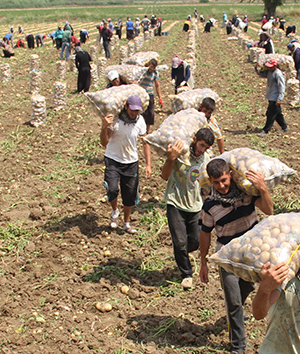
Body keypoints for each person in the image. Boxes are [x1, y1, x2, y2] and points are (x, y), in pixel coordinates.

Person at [200, 159, 274, 354]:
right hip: (227, 256)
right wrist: (203, 262)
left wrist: (263, 188)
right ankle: (238, 347)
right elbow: (205, 233)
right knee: (233, 301)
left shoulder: (246, 194)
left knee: (248, 286)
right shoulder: (209, 205)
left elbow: (269, 210)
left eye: (224, 180)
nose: (222, 186)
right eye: (216, 183)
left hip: (251, 252)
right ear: (211, 181)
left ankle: (236, 314)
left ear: (230, 175)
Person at [161, 128, 215, 290]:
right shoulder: (180, 153)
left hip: (196, 205)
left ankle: (184, 253)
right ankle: (186, 274)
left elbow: (206, 183)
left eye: (206, 147)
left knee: (195, 242)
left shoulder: (206, 159)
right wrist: (171, 159)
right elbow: (164, 176)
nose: (202, 149)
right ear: (194, 139)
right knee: (179, 243)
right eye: (201, 145)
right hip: (175, 203)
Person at [101, 95, 152, 234]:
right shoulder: (116, 120)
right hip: (113, 159)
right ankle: (114, 211)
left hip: (131, 162)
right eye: (132, 110)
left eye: (137, 110)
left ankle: (126, 223)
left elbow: (145, 142)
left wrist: (148, 164)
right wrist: (104, 127)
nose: (134, 113)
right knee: (112, 189)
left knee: (129, 194)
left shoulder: (140, 121)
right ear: (126, 107)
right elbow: (104, 142)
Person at [255, 58, 287, 136]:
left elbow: (282, 87)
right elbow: (261, 74)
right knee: (277, 113)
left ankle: (265, 130)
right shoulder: (269, 72)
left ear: (275, 66)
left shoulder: (278, 74)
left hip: (275, 97)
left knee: (270, 114)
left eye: (271, 67)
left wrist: (279, 99)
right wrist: (256, 68)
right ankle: (284, 127)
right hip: (271, 96)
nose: (269, 68)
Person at [138, 59, 163, 133]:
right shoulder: (143, 71)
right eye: (151, 67)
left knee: (150, 114)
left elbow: (157, 85)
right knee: (141, 113)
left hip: (150, 95)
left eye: (153, 67)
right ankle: (140, 131)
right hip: (142, 94)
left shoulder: (155, 73)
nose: (152, 69)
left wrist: (160, 98)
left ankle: (147, 131)